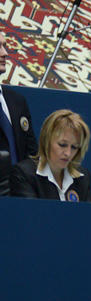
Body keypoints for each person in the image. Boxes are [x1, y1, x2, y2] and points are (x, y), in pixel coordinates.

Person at [10, 109, 91, 202]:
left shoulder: (82, 178)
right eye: (62, 145)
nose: (68, 153)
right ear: (46, 141)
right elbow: (32, 215)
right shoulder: (24, 174)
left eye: (74, 147)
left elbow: (90, 216)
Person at [0, 31, 38, 196]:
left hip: (22, 198)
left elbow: (32, 154)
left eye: (4, 46)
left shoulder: (17, 101)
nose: (5, 53)